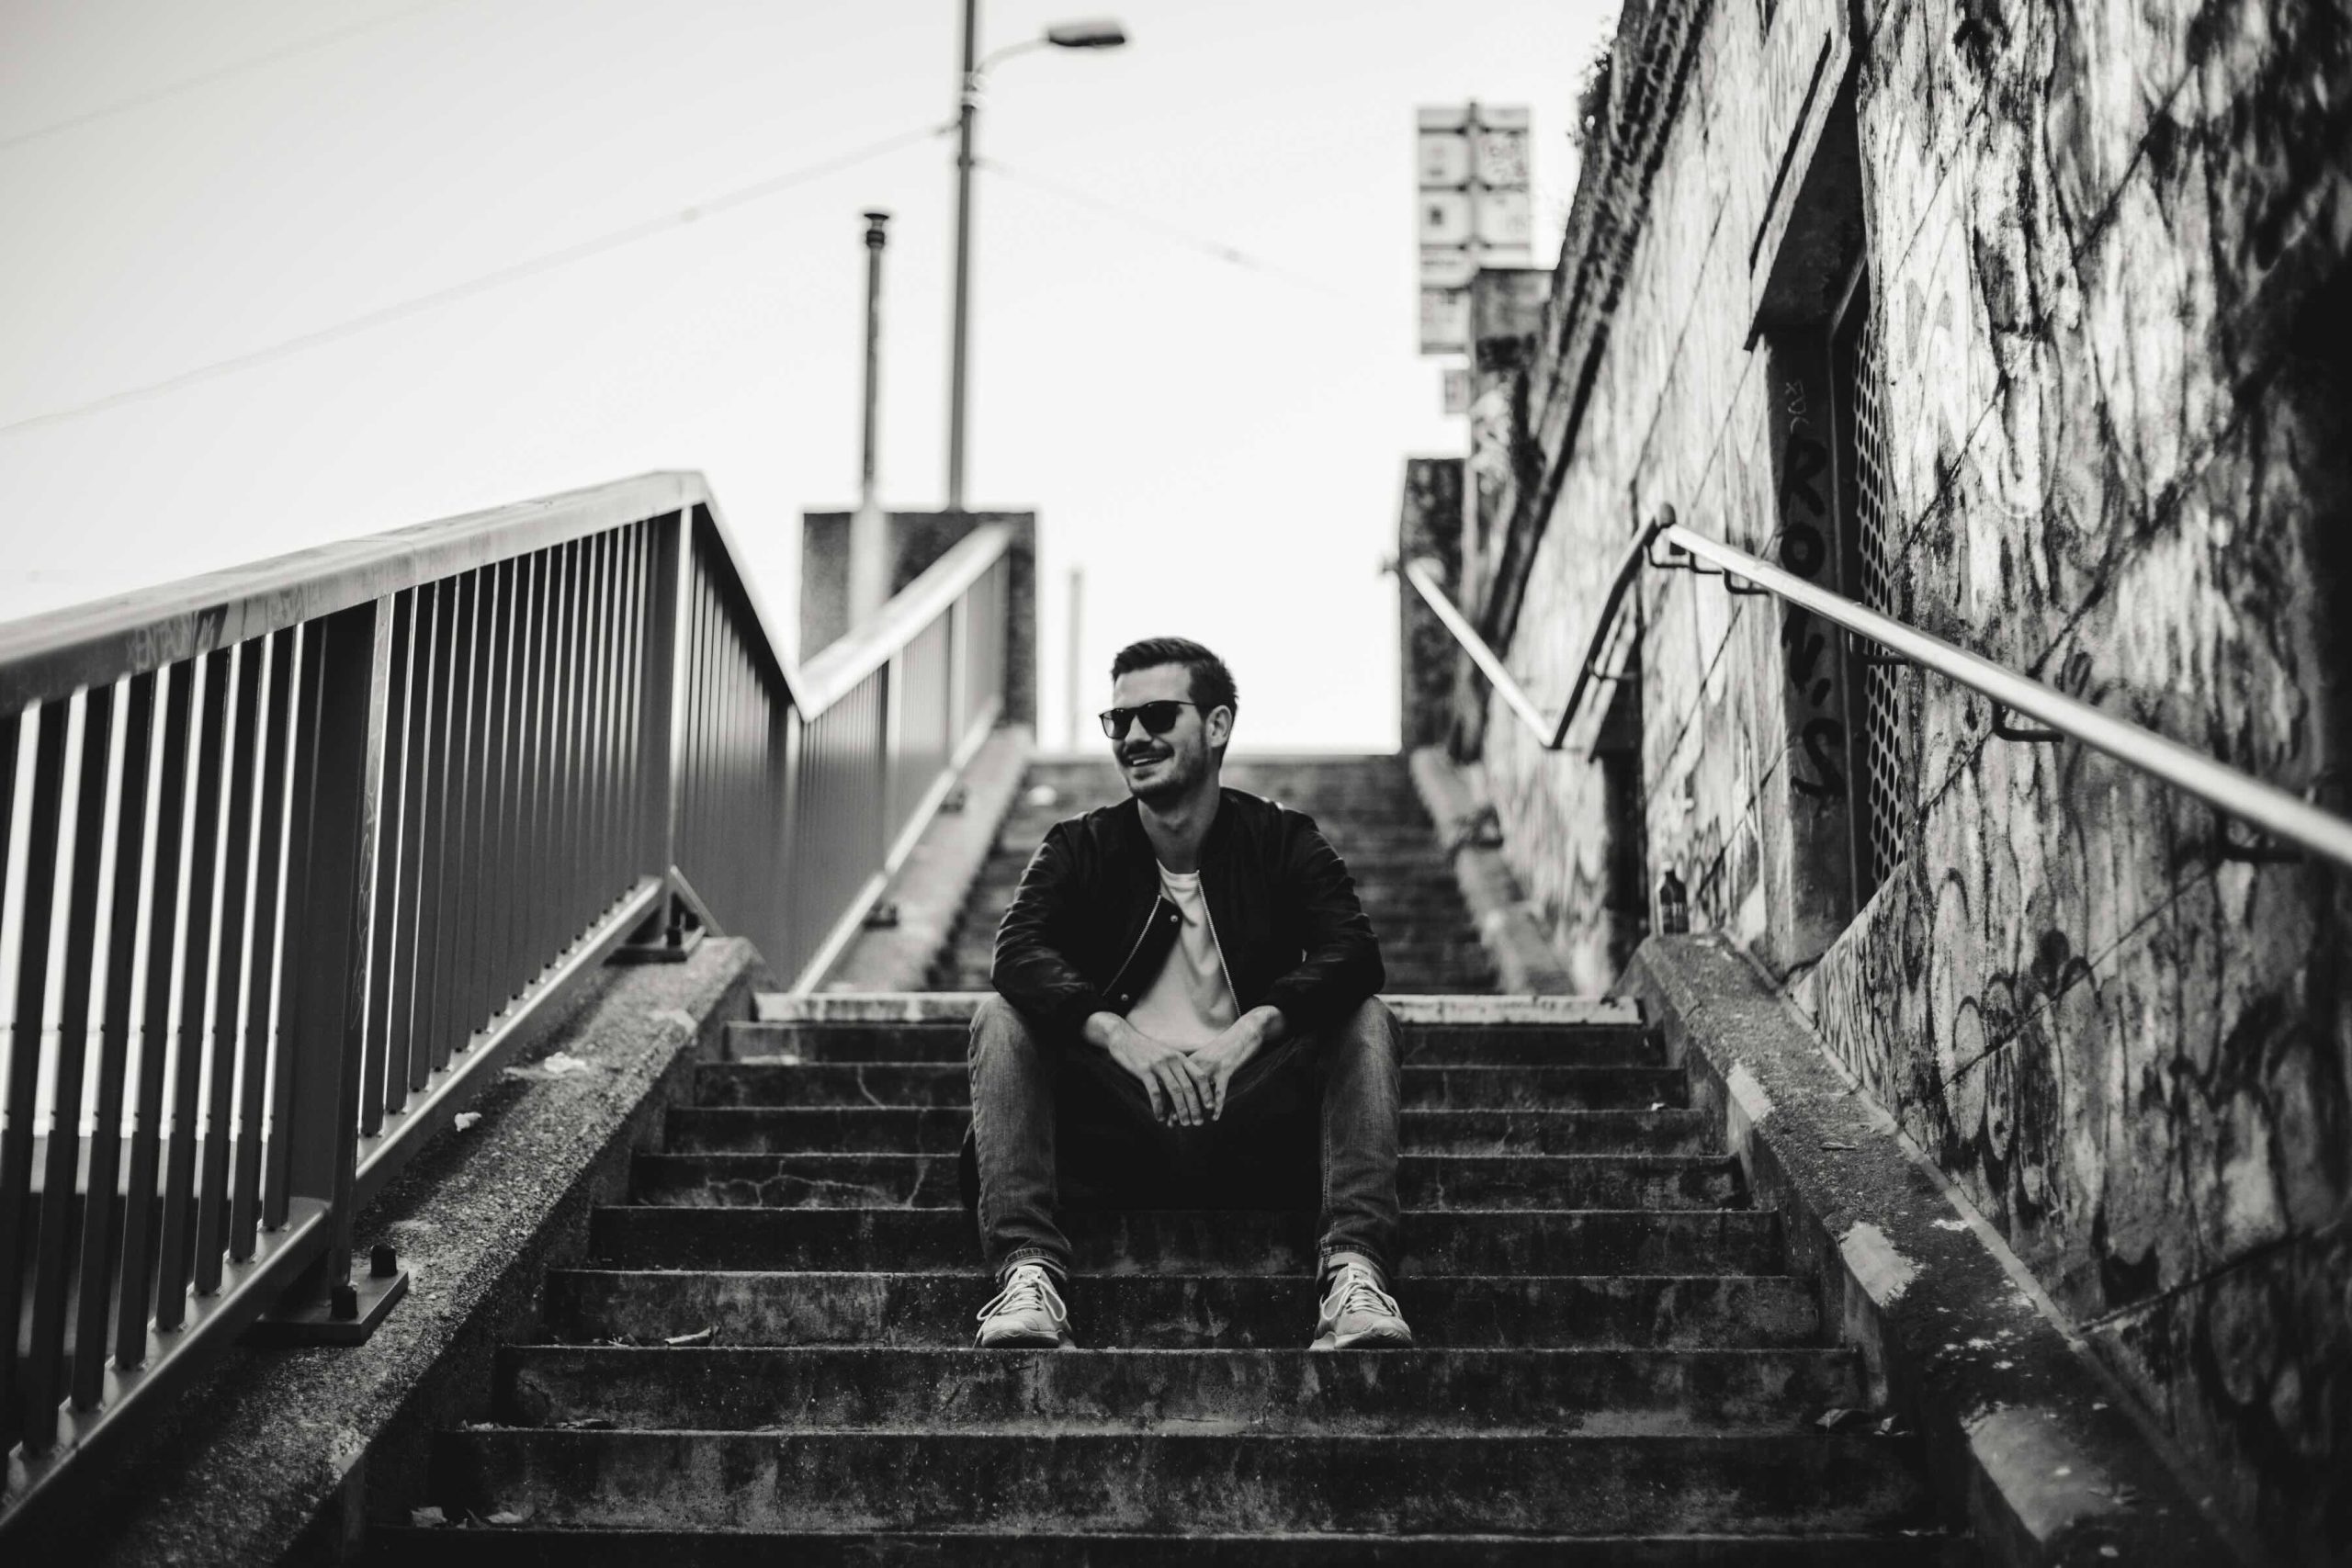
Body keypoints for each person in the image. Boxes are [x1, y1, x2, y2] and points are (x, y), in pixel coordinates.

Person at [964, 636, 1413, 1351]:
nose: (1134, 736)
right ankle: (1029, 1276)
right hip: (1119, 1125)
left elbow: (1353, 952)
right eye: (1119, 722)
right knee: (1000, 1018)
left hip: (1251, 1120)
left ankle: (1355, 1276)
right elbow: (1017, 954)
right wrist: (1121, 1038)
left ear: (1217, 724)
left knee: (1365, 1017)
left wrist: (1251, 1032)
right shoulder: (1078, 848)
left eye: (1157, 715)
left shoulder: (1283, 841)